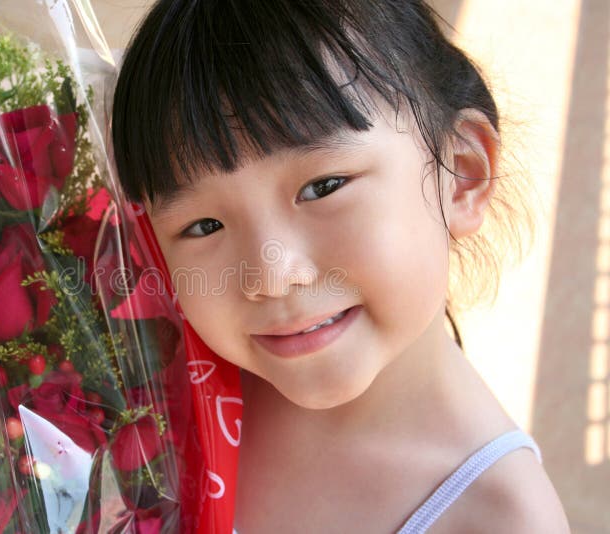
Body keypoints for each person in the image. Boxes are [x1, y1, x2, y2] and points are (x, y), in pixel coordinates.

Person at [111, 0, 570, 532]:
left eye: (323, 187)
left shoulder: (501, 518)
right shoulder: (166, 384)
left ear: (462, 174)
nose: (271, 277)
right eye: (204, 226)